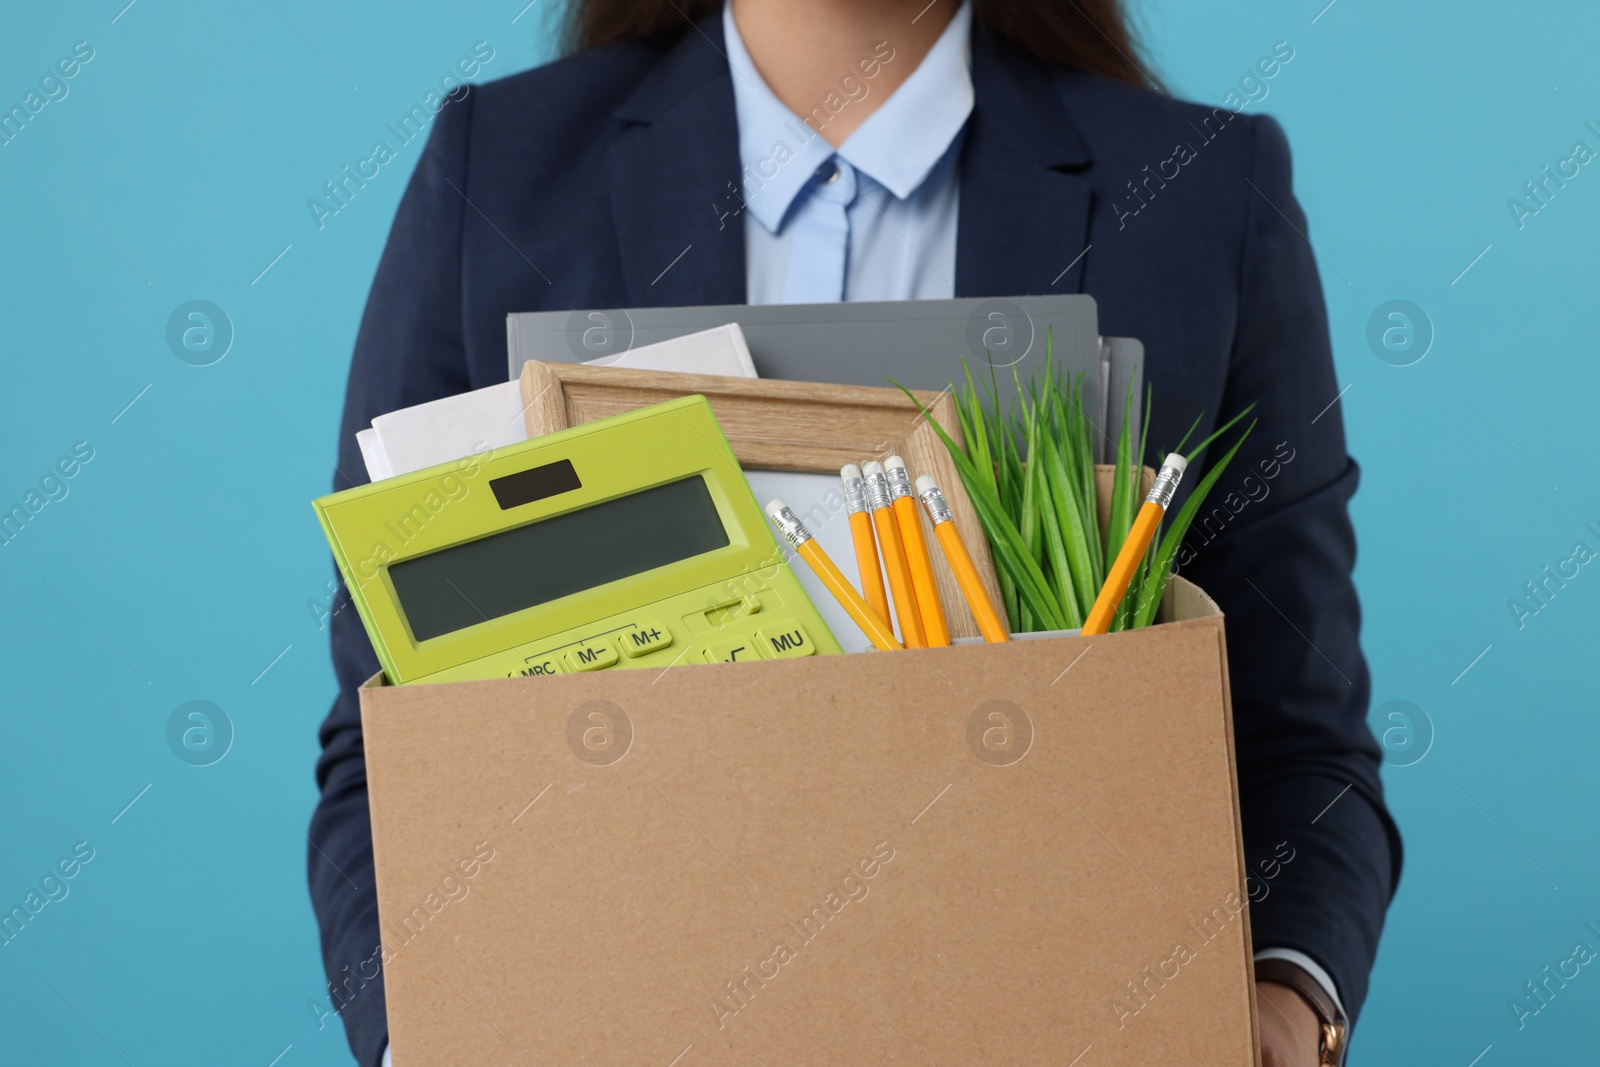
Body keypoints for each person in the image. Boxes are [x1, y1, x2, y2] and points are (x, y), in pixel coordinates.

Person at [309, 2, 1401, 1064]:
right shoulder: (497, 167)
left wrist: (1285, 1002)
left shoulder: (1201, 192)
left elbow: (1296, 739)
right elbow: (386, 733)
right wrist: (423, 1036)